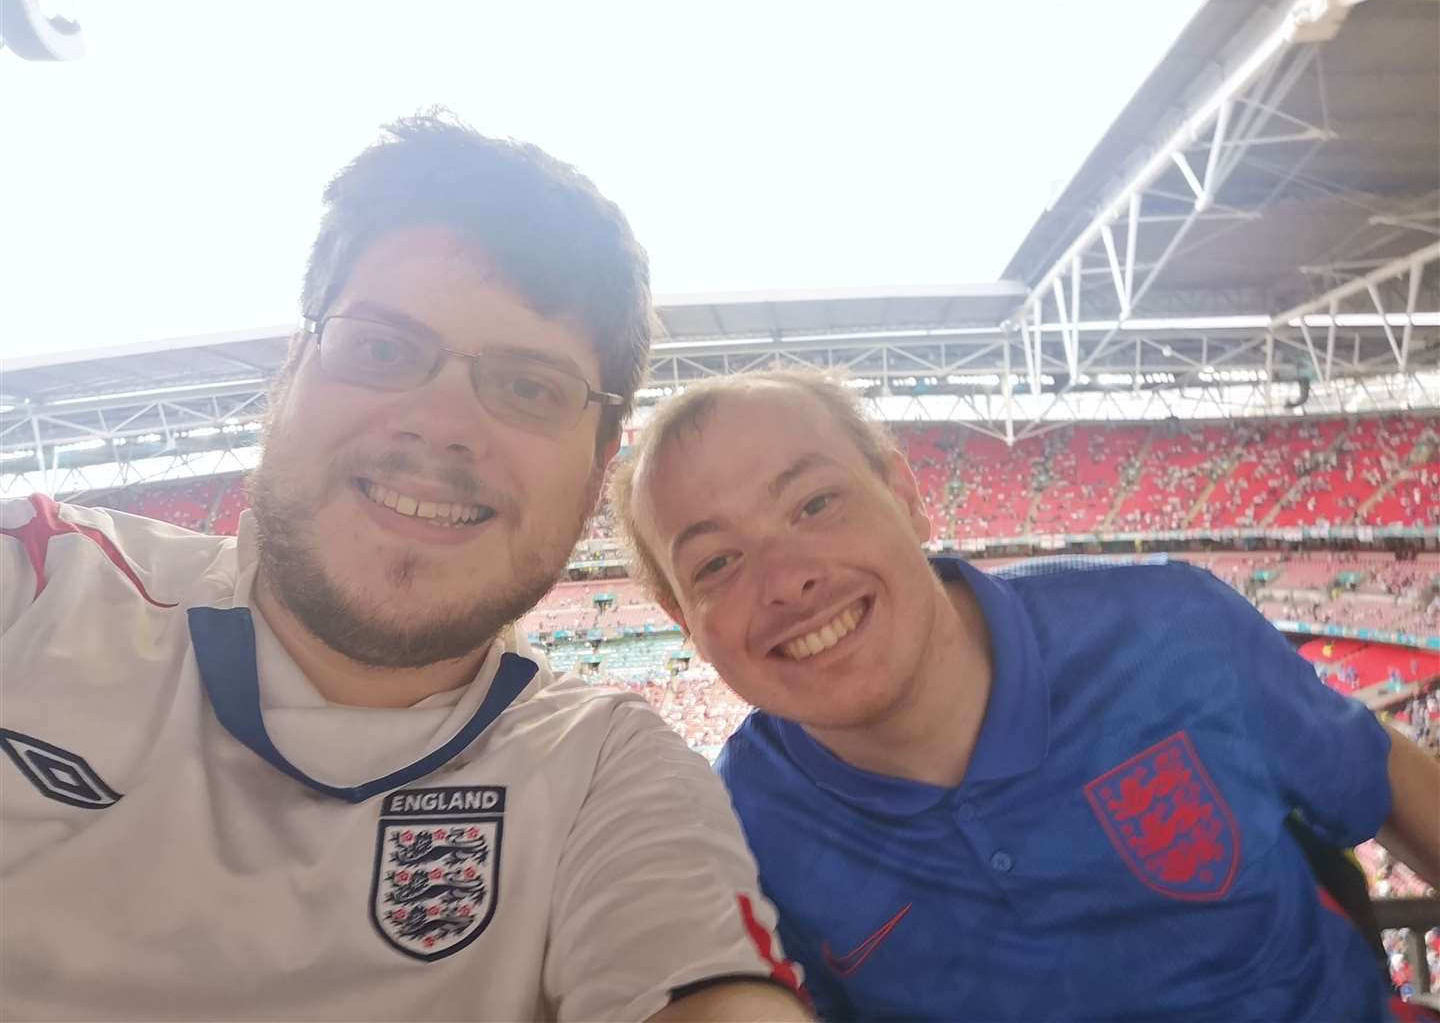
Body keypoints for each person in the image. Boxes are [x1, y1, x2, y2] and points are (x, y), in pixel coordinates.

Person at [0, 116, 809, 1023]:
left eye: (528, 387)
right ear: (293, 368)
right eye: (383, 348)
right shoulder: (38, 584)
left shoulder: (605, 773)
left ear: (594, 470)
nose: (441, 423)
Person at [612, 369, 1440, 1022]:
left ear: (906, 498)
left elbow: (1376, 775)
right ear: (683, 618)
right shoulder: (736, 831)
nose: (787, 580)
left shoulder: (1170, 626)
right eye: (717, 563)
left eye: (816, 502)